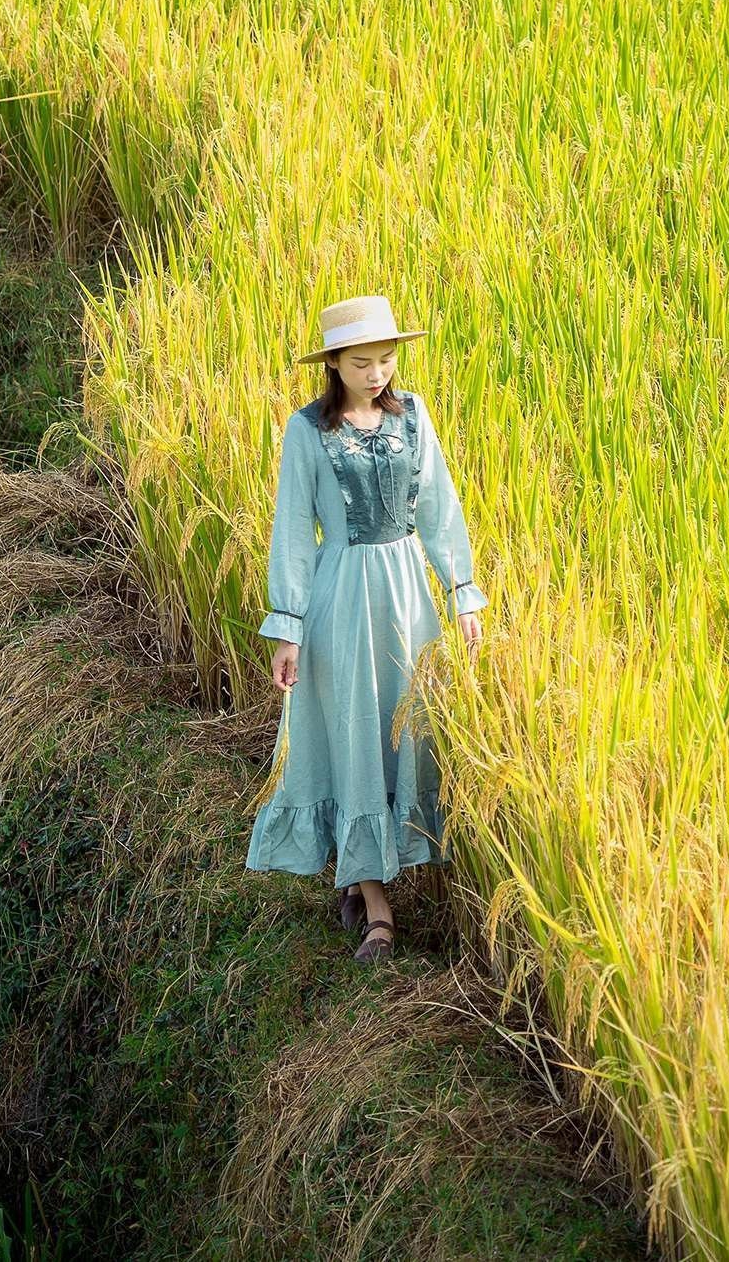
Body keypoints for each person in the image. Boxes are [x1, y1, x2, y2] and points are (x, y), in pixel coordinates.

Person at [244, 293, 486, 966]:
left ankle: (363, 872)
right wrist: (287, 628)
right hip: (342, 600)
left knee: (408, 728)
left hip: (409, 600)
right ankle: (377, 909)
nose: (377, 373)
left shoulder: (414, 418)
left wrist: (463, 592)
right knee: (354, 738)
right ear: (333, 364)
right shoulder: (306, 431)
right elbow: (292, 530)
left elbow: (439, 506)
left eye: (385, 359)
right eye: (361, 362)